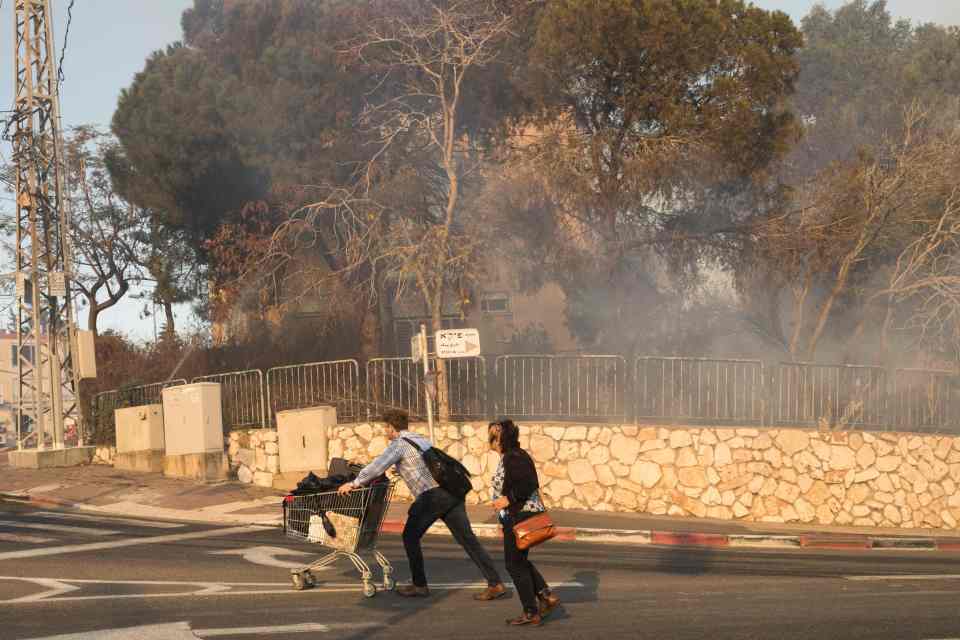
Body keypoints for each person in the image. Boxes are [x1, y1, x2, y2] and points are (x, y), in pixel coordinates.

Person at [338, 409, 507, 600]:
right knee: (468, 540)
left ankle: (419, 585)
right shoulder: (419, 439)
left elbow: (378, 466)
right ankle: (496, 583)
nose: (386, 432)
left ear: (391, 428)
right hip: (450, 492)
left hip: (432, 496)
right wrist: (402, 470)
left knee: (410, 536)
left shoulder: (399, 444)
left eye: (386, 428)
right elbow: (424, 465)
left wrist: (354, 483)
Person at [488, 419, 561, 626]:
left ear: (500, 437)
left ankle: (531, 611)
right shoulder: (511, 456)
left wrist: (507, 499)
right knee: (519, 561)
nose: (490, 439)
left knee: (513, 564)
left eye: (493, 435)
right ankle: (545, 596)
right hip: (513, 517)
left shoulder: (514, 457)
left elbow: (529, 484)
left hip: (519, 517)